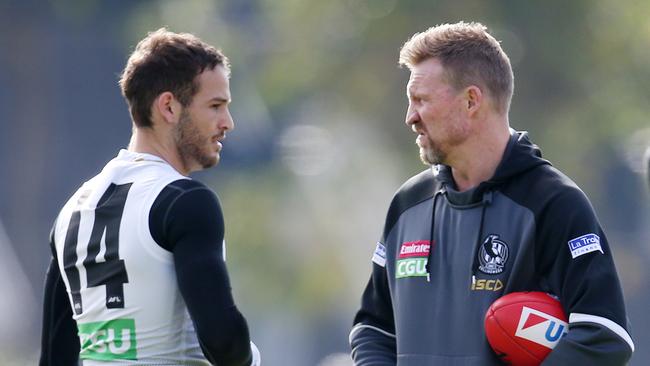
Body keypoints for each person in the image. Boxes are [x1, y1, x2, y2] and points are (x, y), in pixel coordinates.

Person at [349, 22, 634, 365]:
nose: (411, 117)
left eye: (421, 100)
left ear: (471, 100)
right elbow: (374, 329)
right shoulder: (408, 204)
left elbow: (604, 334)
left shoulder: (554, 203)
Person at [39, 28, 261, 366]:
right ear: (169, 107)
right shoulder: (185, 202)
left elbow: (55, 357)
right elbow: (224, 342)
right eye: (215, 106)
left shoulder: (71, 213)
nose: (227, 122)